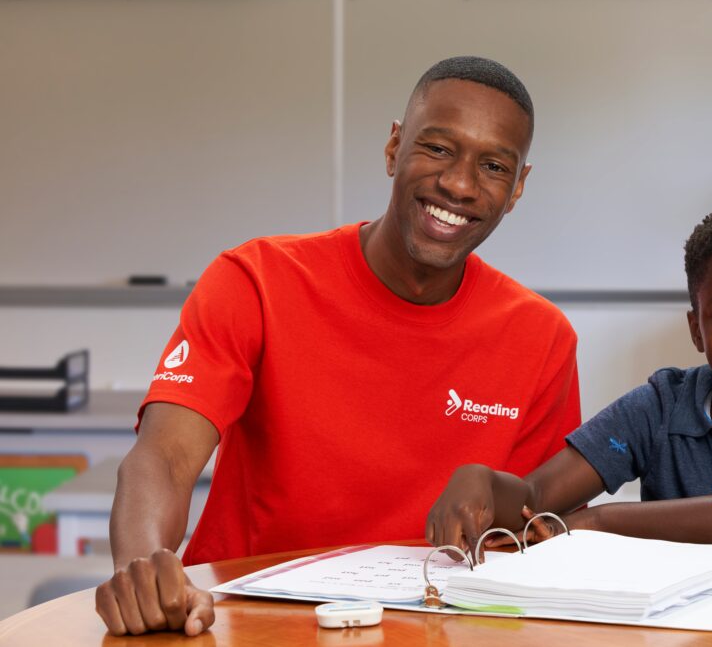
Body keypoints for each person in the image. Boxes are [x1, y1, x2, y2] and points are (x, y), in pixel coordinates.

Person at [94, 56, 581, 636]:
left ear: (518, 187)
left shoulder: (541, 337)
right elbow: (165, 457)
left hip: (432, 630)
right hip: (240, 624)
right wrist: (144, 565)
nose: (459, 184)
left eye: (494, 165)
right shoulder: (256, 280)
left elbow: (532, 525)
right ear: (393, 148)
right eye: (438, 149)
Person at [428, 201, 712, 556]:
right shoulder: (663, 404)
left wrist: (596, 522)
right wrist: (482, 479)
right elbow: (537, 494)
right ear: (696, 329)